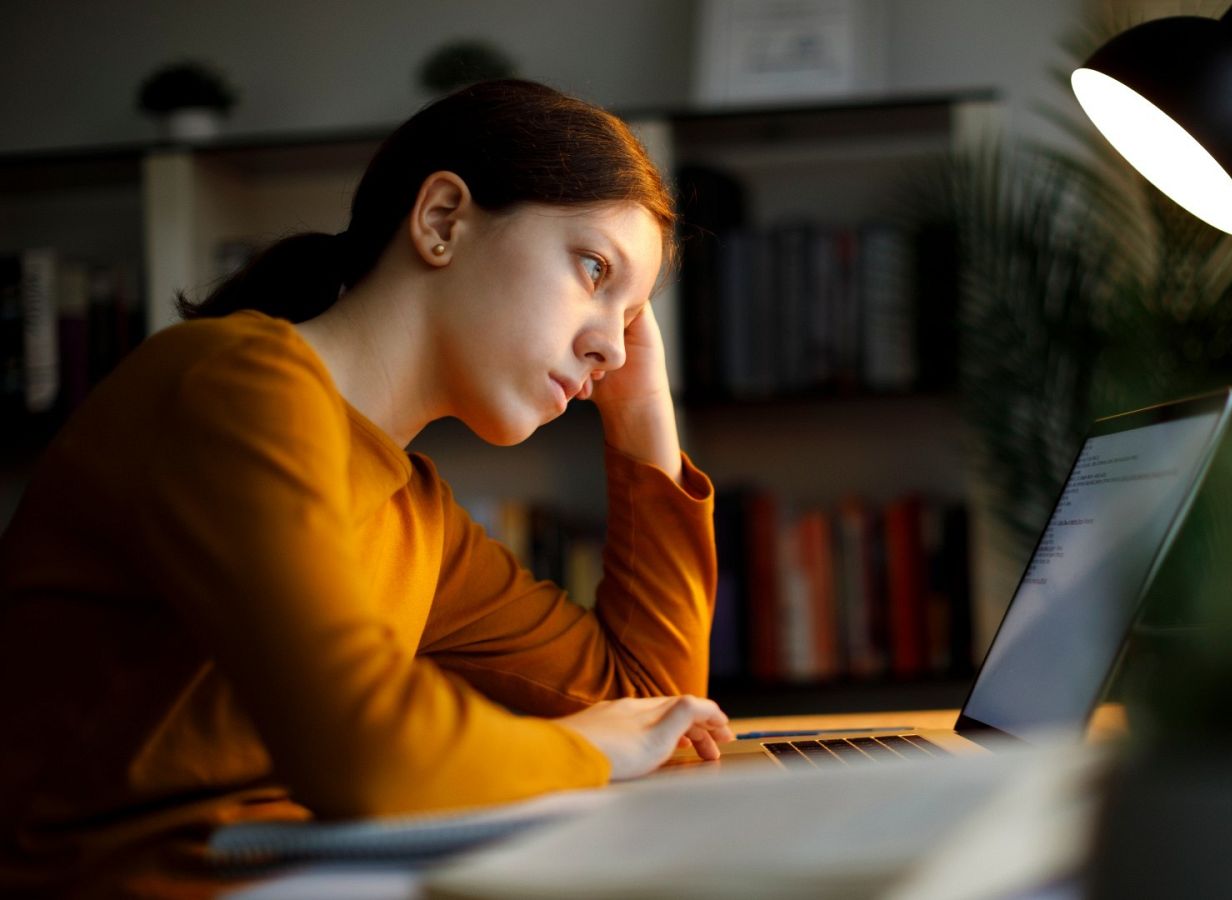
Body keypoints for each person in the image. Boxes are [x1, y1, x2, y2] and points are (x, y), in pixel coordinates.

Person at [0, 79, 733, 898]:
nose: (612, 349)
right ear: (442, 220)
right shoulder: (232, 385)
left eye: (632, 319)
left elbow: (656, 707)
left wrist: (643, 416)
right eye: (594, 269)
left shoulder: (415, 511)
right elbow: (364, 752)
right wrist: (589, 748)